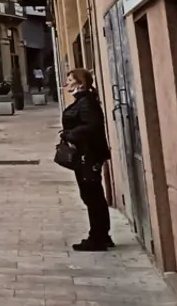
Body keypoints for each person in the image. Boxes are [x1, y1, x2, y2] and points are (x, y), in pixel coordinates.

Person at [61, 68, 113, 251]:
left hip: (88, 156)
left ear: (80, 83)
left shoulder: (86, 102)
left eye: (70, 79)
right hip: (86, 155)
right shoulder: (83, 101)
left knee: (92, 195)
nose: (67, 82)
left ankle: (97, 238)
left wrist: (70, 135)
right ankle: (102, 235)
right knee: (93, 195)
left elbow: (92, 126)